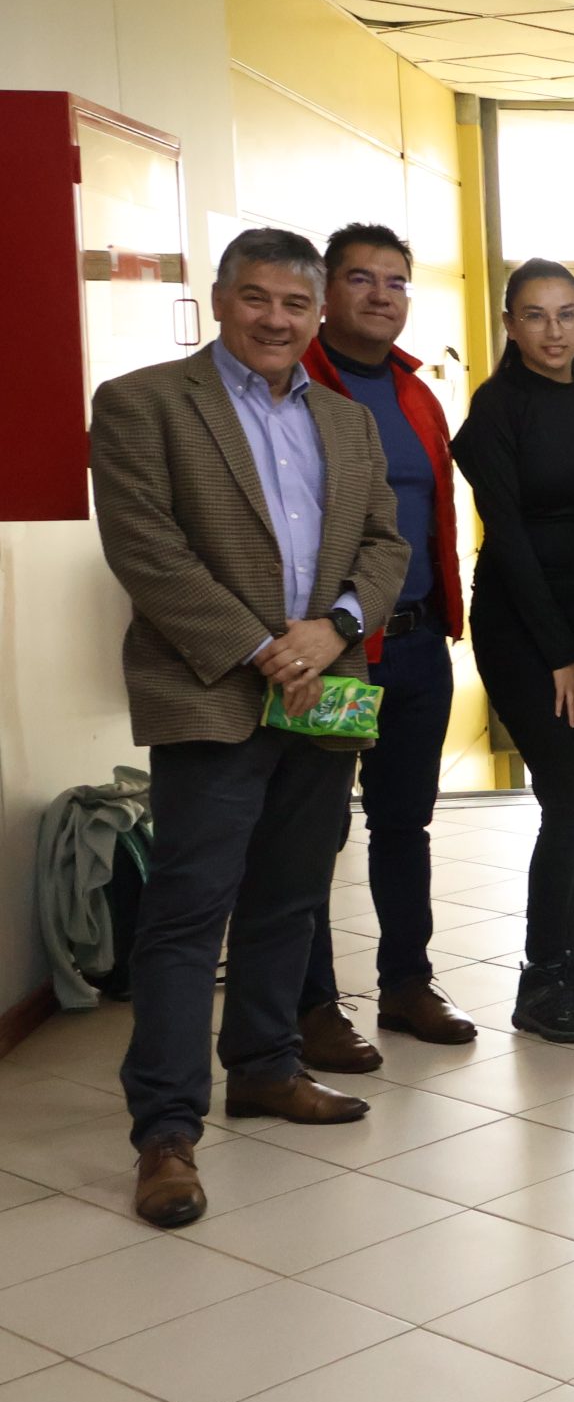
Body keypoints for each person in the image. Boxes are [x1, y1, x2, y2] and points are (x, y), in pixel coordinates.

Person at [91, 228, 409, 1226]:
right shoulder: (143, 404)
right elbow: (146, 549)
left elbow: (385, 544)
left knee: (292, 895)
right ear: (221, 300)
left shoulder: (347, 420)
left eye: (295, 304)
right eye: (257, 299)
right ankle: (165, 1131)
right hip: (211, 688)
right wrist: (260, 645)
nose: (277, 319)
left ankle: (267, 1066)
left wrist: (336, 626)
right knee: (189, 911)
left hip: (327, 688)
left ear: (317, 314)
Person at [292, 223, 475, 1066]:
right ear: (326, 291)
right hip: (336, 650)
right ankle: (311, 1004)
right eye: (360, 278)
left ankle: (406, 983)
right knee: (316, 828)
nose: (380, 295)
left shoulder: (413, 390)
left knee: (405, 822)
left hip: (414, 643)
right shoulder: (299, 383)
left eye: (395, 281)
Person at [451, 259, 574, 1043]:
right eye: (535, 315)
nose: (554, 330)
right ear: (510, 324)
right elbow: (509, 539)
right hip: (524, 626)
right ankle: (539, 978)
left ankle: (570, 961)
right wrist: (559, 653)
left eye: (568, 313)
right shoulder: (496, 409)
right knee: (566, 795)